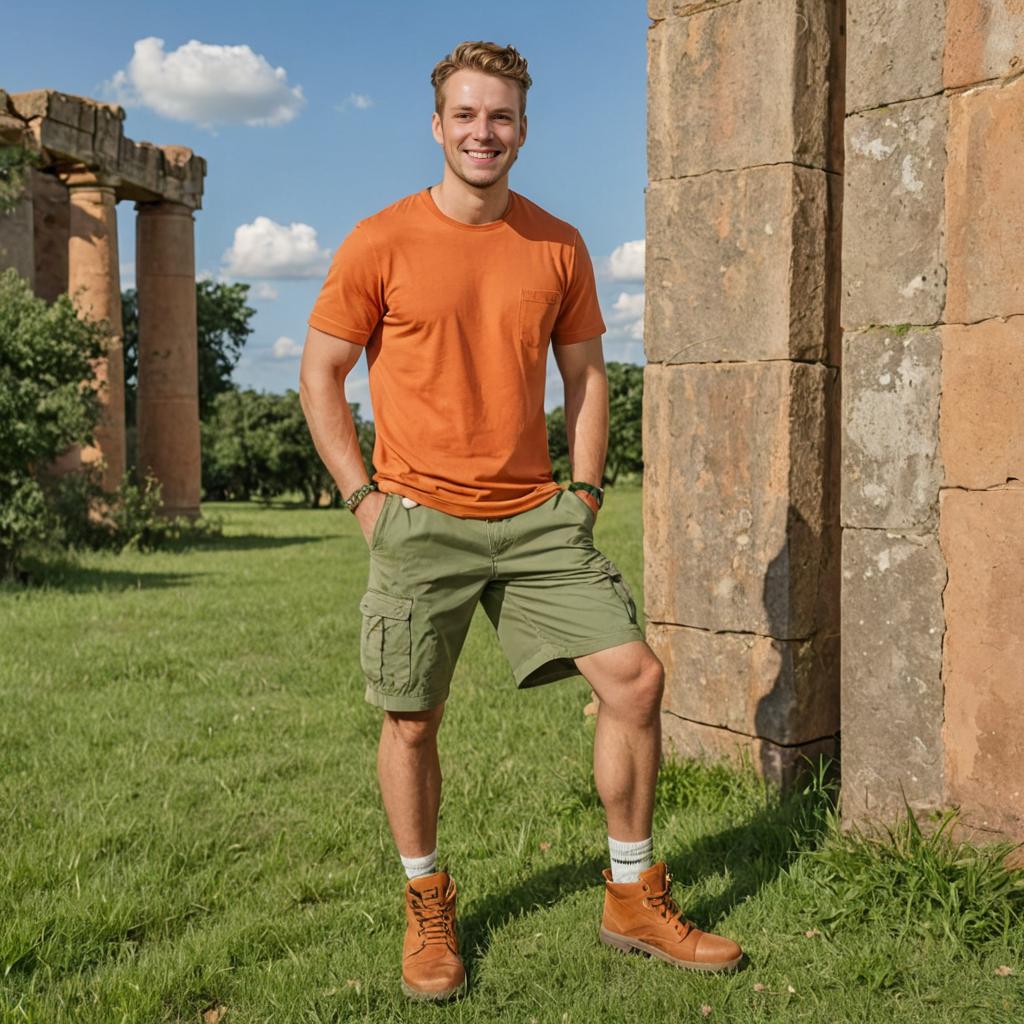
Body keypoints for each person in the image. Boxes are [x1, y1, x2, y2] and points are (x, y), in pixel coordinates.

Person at [299, 40, 743, 1001]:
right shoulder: (381, 240)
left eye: (499, 116)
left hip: (539, 517)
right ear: (437, 126)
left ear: (523, 129)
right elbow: (321, 375)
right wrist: (363, 499)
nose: (482, 132)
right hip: (418, 514)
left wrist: (583, 495)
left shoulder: (558, 243)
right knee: (413, 719)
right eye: (465, 115)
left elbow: (585, 379)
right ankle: (427, 903)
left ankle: (630, 895)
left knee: (634, 678)